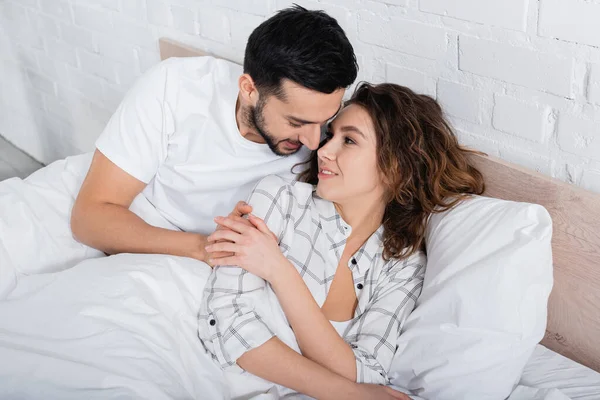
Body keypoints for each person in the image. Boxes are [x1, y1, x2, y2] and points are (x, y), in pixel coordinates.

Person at [198, 83, 486, 399]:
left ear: (397, 168)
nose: (323, 150)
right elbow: (225, 322)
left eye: (348, 140)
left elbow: (367, 370)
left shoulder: (402, 266)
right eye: (330, 135)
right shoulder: (280, 198)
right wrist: (347, 393)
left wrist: (281, 273)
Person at [69, 6, 358, 264]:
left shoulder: (326, 146)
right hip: (136, 221)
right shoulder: (176, 87)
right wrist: (200, 247)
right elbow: (89, 218)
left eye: (324, 121)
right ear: (248, 89)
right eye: (296, 121)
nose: (312, 142)